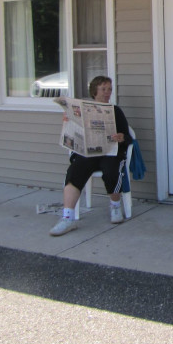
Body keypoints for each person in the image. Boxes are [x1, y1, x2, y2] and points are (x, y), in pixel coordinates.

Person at [49, 76, 132, 236]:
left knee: (111, 170)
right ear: (94, 91)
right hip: (89, 153)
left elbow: (128, 138)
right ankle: (68, 218)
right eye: (103, 89)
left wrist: (121, 137)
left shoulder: (115, 111)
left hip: (110, 153)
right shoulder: (83, 110)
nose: (107, 92)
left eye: (109, 89)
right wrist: (68, 121)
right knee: (75, 170)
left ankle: (115, 206)